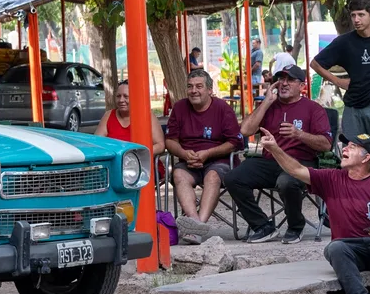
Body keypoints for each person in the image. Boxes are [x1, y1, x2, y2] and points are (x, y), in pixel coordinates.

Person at [260, 126, 370, 294]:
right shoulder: (331, 178)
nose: (345, 148)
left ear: (366, 158)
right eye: (345, 145)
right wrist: (274, 148)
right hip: (349, 250)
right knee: (335, 248)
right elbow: (296, 170)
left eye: (353, 146)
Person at [224, 66, 332, 243]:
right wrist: (266, 102)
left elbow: (326, 145)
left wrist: (299, 134)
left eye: (290, 80)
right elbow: (245, 130)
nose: (283, 83)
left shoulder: (313, 109)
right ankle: (263, 226)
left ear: (302, 86)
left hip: (301, 162)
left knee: (286, 182)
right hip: (270, 161)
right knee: (232, 177)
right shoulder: (270, 106)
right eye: (280, 79)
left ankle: (296, 227)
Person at [166, 69, 244, 244]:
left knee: (213, 176)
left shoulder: (223, 108)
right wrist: (184, 154)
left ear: (210, 90)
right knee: (178, 175)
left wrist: (208, 153)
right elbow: (170, 141)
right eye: (190, 86)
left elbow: (235, 143)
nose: (194, 90)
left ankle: (197, 227)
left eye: (199, 86)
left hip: (219, 161)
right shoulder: (179, 107)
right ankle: (196, 224)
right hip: (189, 161)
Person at [311, 0, 370, 138]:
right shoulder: (344, 42)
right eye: (353, 15)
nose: (356, 20)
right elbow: (315, 64)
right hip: (353, 107)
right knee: (353, 151)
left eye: (361, 15)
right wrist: (338, 81)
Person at [95, 80, 165, 155]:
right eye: (118, 96)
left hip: (143, 162)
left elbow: (160, 145)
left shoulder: (147, 116)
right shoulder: (108, 115)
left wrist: (137, 155)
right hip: (115, 162)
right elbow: (96, 142)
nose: (121, 100)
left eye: (126, 96)